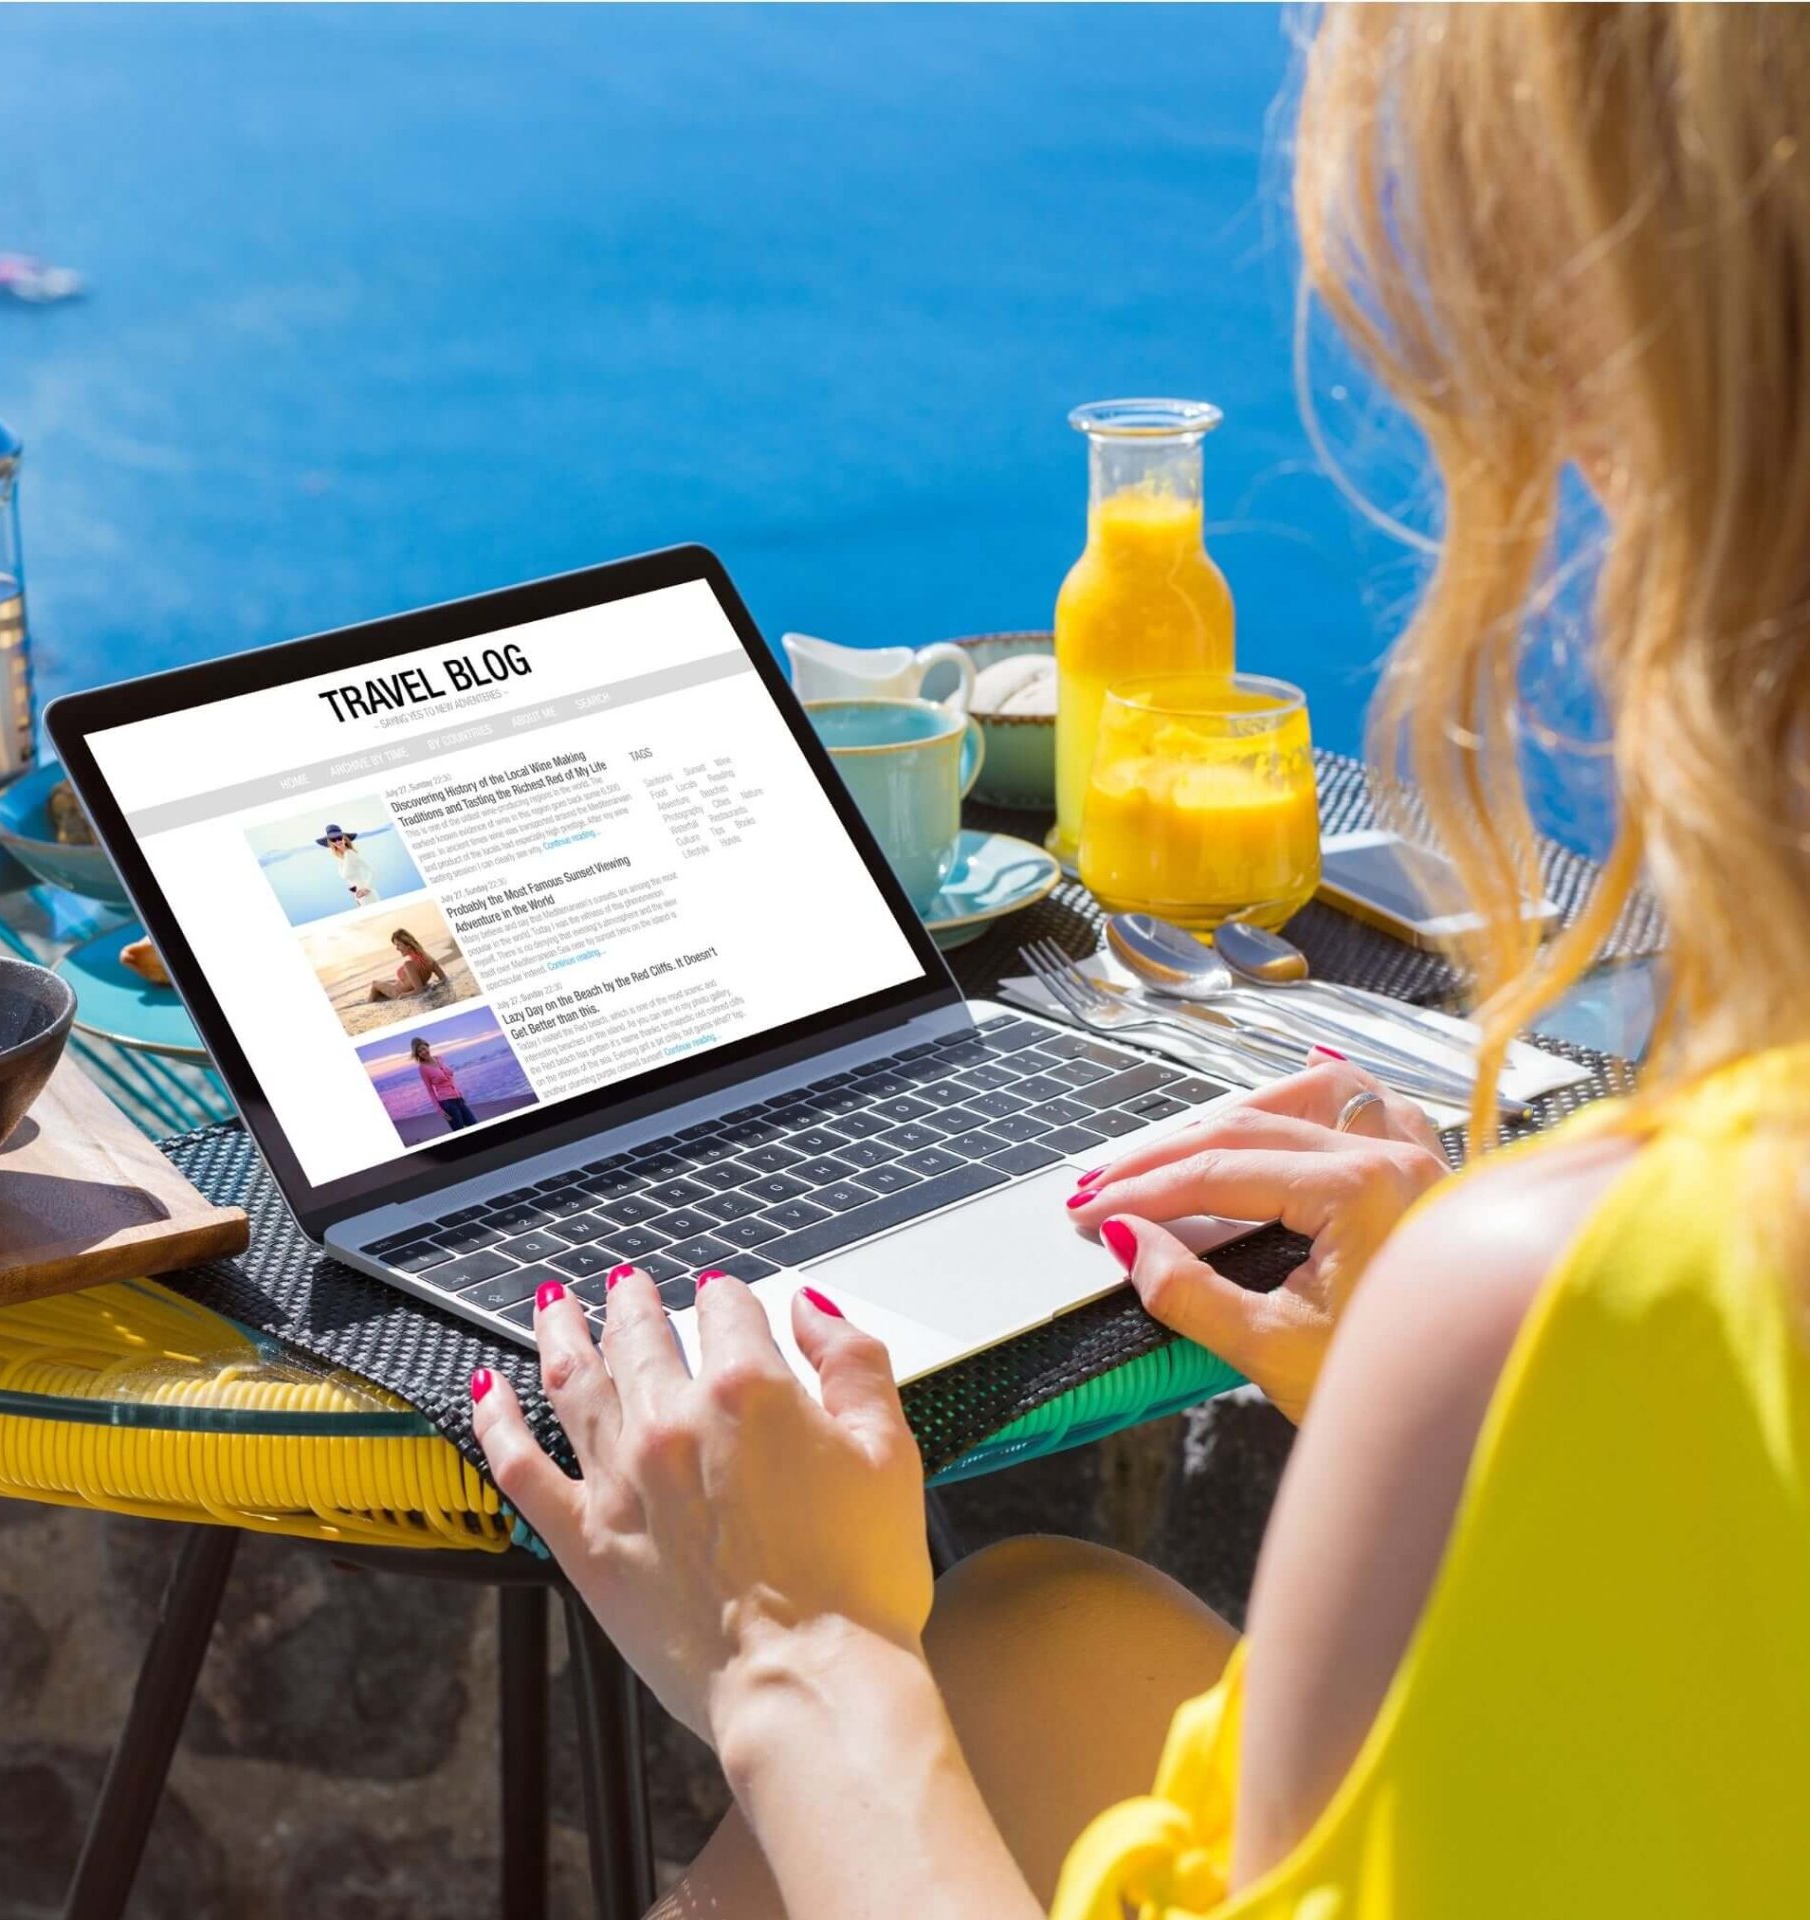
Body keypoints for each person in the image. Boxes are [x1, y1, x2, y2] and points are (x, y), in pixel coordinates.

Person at [469, 8, 1810, 1915]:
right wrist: (1487, 1442)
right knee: (1028, 1641)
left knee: (888, 1717)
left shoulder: (1582, 1296)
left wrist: (794, 1663)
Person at [367, 926, 451, 1002]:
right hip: (400, 985)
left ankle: (369, 1004)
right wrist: (434, 986)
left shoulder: (409, 965)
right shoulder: (430, 960)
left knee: (374, 983)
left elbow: (419, 991)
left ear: (408, 945)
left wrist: (403, 995)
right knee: (390, 982)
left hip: (396, 991)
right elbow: (444, 980)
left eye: (398, 945)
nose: (397, 949)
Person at [411, 1036, 477, 1131]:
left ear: (427, 1046)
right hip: (447, 1104)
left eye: (423, 1049)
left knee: (474, 1124)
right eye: (419, 1052)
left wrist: (460, 1095)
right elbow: (430, 1090)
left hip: (459, 1099)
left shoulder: (440, 1058)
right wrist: (439, 1110)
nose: (423, 1052)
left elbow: (450, 1079)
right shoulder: (423, 1068)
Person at [318, 823, 377, 905]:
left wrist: (367, 888)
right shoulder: (340, 858)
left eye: (339, 838)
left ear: (344, 838)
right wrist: (355, 897)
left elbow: (371, 870)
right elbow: (349, 879)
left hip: (366, 895)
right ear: (331, 843)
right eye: (333, 839)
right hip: (358, 896)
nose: (337, 841)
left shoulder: (350, 854)